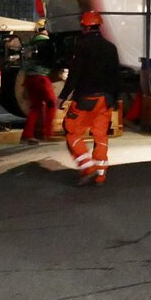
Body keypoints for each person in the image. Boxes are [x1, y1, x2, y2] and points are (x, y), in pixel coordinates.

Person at [58, 10, 121, 186]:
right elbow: (116, 75)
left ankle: (88, 167)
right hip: (106, 99)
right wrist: (114, 99)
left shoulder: (81, 46)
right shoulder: (111, 47)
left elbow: (75, 75)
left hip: (86, 98)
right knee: (101, 135)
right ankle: (101, 174)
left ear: (85, 27)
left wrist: (62, 97)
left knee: (71, 130)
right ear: (99, 26)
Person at [20, 20, 57, 145]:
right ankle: (48, 133)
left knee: (35, 107)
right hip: (41, 78)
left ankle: (27, 135)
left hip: (30, 78)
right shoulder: (47, 43)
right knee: (52, 103)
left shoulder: (31, 43)